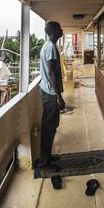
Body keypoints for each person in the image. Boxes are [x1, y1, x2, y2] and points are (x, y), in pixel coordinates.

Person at [38, 21, 65, 171]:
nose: (62, 31)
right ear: (54, 30)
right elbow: (51, 73)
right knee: (49, 127)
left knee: (51, 126)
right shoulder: (51, 48)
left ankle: (47, 157)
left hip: (47, 90)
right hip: (50, 92)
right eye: (60, 28)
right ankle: (44, 164)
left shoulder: (48, 46)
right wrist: (58, 96)